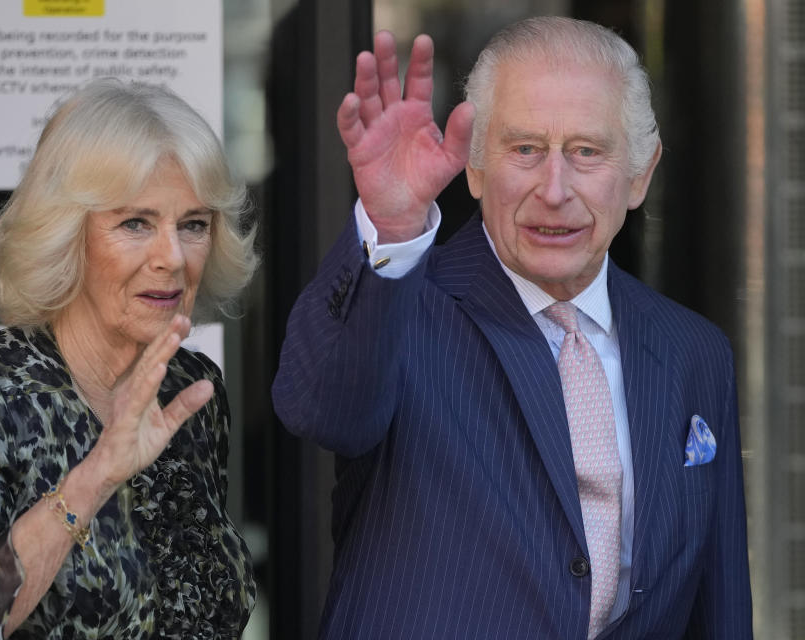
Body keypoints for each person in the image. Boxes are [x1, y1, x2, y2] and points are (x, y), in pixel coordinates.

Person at [273, 16, 752, 639]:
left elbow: (718, 612)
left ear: (640, 174)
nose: (554, 190)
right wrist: (391, 230)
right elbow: (320, 409)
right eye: (525, 149)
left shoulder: (694, 352)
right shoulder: (405, 309)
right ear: (474, 169)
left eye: (586, 152)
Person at [0, 78, 259, 638]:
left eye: (193, 224)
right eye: (135, 222)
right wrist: (96, 475)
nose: (173, 257)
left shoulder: (191, 387)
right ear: (69, 236)